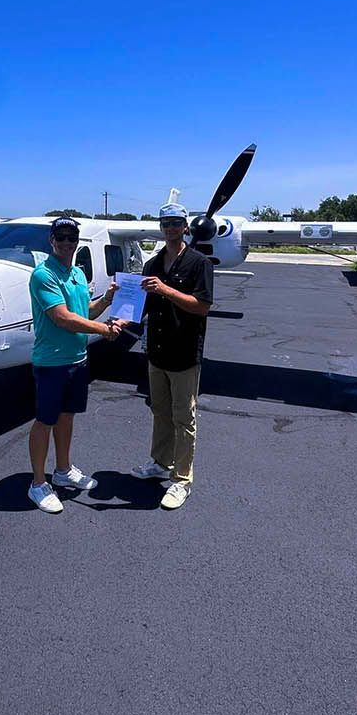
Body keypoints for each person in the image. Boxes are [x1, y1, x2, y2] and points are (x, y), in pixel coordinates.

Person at [26, 216, 121, 514]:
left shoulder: (78, 274)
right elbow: (62, 318)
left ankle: (63, 469)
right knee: (45, 421)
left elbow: (83, 311)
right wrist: (104, 330)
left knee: (66, 417)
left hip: (77, 360)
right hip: (52, 362)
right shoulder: (44, 275)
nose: (67, 243)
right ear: (52, 241)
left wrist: (105, 301)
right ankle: (38, 483)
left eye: (72, 238)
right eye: (61, 237)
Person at [131, 201, 213, 510]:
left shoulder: (199, 263)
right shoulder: (152, 265)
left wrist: (165, 290)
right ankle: (159, 463)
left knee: (184, 418)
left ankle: (182, 479)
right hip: (157, 352)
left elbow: (202, 306)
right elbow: (142, 308)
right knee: (160, 412)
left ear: (186, 226)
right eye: (166, 223)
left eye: (176, 223)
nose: (170, 228)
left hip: (184, 353)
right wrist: (119, 313)